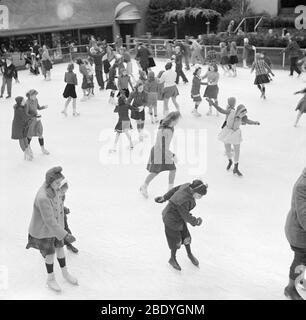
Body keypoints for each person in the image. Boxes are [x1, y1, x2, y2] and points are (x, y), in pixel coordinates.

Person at [26, 167, 78, 292]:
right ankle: (50, 279)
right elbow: (49, 221)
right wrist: (65, 235)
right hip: (45, 231)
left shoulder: (54, 189)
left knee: (60, 250)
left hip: (56, 228)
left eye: (60, 182)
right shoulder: (43, 197)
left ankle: (65, 274)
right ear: (50, 182)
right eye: (57, 183)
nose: (59, 185)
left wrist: (63, 209)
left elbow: (57, 205)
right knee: (50, 255)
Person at [155, 180, 208, 271]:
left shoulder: (187, 186)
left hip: (179, 218)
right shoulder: (183, 200)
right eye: (200, 195)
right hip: (171, 220)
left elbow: (175, 189)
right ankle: (172, 258)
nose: (200, 197)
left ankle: (189, 253)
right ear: (194, 191)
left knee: (186, 236)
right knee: (175, 241)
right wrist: (196, 222)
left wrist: (165, 197)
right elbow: (186, 216)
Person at [211, 102, 260, 177]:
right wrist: (213, 104)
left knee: (237, 151)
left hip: (235, 134)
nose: (243, 115)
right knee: (228, 150)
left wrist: (255, 123)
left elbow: (248, 121)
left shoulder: (243, 117)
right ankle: (230, 161)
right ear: (239, 111)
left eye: (244, 113)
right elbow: (221, 110)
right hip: (227, 132)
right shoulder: (231, 111)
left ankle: (236, 168)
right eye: (242, 113)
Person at [140, 111, 181, 199]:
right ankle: (144, 186)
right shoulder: (164, 131)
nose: (178, 122)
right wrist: (172, 155)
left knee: (173, 169)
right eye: (177, 120)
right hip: (158, 152)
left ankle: (170, 190)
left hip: (164, 152)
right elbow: (162, 147)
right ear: (173, 120)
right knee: (155, 172)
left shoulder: (170, 127)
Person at [25, 89, 50, 157]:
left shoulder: (36, 100)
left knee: (40, 133)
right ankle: (28, 147)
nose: (35, 96)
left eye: (36, 95)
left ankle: (43, 149)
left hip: (37, 119)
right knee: (30, 135)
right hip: (31, 120)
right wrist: (33, 115)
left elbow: (38, 108)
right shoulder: (27, 103)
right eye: (34, 95)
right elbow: (26, 114)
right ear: (30, 95)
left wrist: (43, 107)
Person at [59, 179, 79, 254]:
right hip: (55, 218)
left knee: (66, 230)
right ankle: (45, 249)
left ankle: (68, 244)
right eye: (63, 191)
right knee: (53, 233)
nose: (64, 193)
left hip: (62, 216)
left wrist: (64, 209)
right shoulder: (54, 196)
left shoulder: (63, 195)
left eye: (65, 191)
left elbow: (60, 205)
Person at [11, 96, 32, 160]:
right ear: (20, 102)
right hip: (18, 126)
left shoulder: (21, 107)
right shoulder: (19, 109)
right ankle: (26, 152)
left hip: (22, 125)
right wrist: (33, 116)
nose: (24, 101)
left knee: (24, 137)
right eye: (23, 101)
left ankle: (27, 151)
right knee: (21, 138)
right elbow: (25, 117)